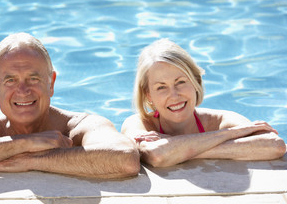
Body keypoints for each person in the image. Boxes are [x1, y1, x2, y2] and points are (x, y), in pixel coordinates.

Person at [0, 33, 140, 181]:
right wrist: (24, 143)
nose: (23, 90)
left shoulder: (80, 126)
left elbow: (126, 159)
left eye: (33, 78)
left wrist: (33, 159)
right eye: (10, 80)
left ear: (51, 83)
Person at [122, 38, 286, 167]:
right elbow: (157, 155)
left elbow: (274, 146)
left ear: (196, 82)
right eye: (161, 87)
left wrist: (178, 150)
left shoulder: (221, 120)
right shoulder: (138, 123)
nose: (174, 95)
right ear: (148, 95)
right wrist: (229, 135)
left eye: (180, 82)